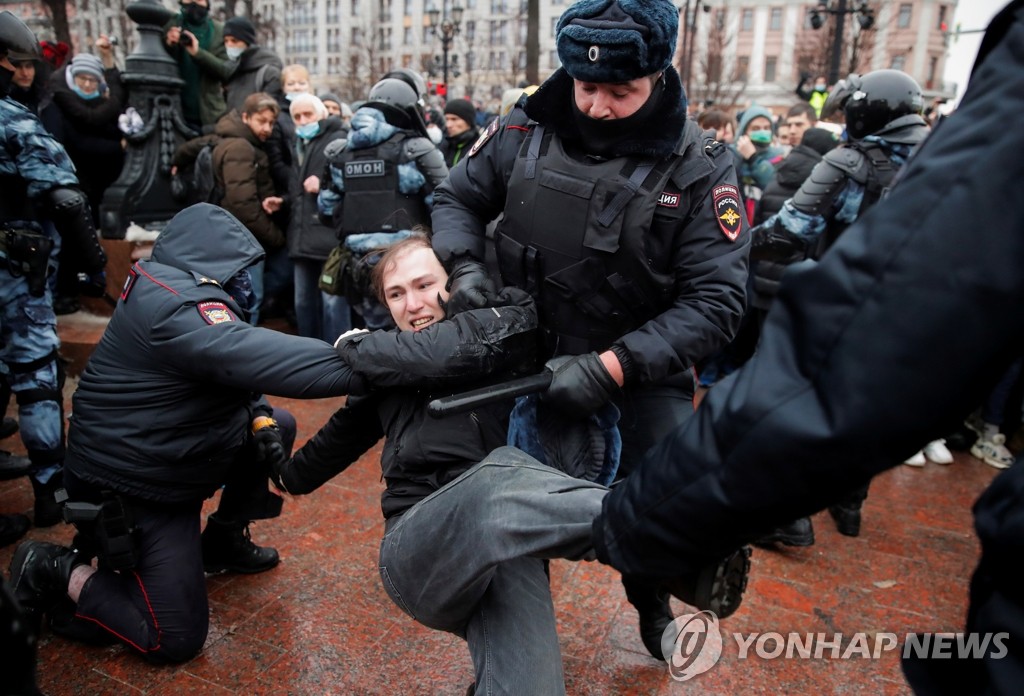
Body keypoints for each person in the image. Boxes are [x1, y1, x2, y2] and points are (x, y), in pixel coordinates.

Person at [592, 2, 1024, 692]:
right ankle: (831, 512)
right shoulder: (922, 154)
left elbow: (842, 327)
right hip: (881, 340)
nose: (598, 105)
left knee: (807, 402)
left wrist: (653, 515)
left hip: (832, 314)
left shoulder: (819, 161)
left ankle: (768, 531)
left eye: (618, 91)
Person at [275, 235, 748, 694]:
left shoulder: (504, 335)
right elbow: (322, 455)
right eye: (395, 294)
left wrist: (360, 347)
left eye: (424, 285)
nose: (412, 304)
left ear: (456, 283)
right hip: (421, 547)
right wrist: (278, 467)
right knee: (492, 480)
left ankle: (660, 542)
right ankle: (671, 532)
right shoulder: (381, 376)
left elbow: (463, 345)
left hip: (507, 551)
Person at [430, 0, 750, 661]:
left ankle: (655, 601)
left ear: (660, 74)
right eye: (586, 87)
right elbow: (457, 197)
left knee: (653, 508)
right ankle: (515, 658)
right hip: (521, 355)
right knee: (505, 510)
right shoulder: (524, 125)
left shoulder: (701, 164)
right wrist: (463, 268)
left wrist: (612, 367)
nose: (598, 106)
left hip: (638, 370)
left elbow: (717, 301)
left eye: (620, 92)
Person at [6, 203, 370, 663]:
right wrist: (369, 358)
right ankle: (57, 569)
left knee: (278, 422)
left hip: (170, 457)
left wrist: (258, 414)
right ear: (210, 262)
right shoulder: (175, 306)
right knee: (172, 637)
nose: (245, 283)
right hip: (137, 484)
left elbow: (230, 366)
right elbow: (245, 351)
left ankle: (221, 541)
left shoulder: (175, 286)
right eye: (237, 270)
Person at [747, 69, 930, 544]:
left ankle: (786, 519)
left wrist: (732, 251)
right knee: (862, 411)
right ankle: (849, 508)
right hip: (906, 315)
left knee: (789, 403)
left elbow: (789, 231)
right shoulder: (942, 157)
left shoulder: (848, 159)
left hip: (840, 306)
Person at [1, 11, 107, 531]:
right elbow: (65, 200)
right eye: (19, 63)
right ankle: (50, 491)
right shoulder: (13, 120)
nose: (26, 72)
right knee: (38, 376)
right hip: (16, 279)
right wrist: (95, 263)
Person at [318, 77, 447, 329]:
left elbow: (326, 210)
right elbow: (447, 208)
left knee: (373, 336)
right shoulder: (416, 149)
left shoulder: (339, 154)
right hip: (410, 268)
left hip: (357, 266)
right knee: (418, 341)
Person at [41, 43, 126, 315]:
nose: (88, 84)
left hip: (100, 184)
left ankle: (78, 288)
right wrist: (115, 146)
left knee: (85, 244)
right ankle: (62, 295)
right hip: (72, 186)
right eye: (83, 79)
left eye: (92, 80)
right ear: (72, 78)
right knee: (65, 245)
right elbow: (75, 144)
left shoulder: (105, 106)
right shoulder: (59, 106)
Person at [211, 91, 286, 325]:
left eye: (271, 123)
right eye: (261, 121)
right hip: (246, 237)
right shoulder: (241, 148)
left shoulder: (237, 140)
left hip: (241, 235)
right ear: (246, 118)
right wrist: (275, 237)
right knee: (250, 299)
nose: (267, 128)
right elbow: (243, 204)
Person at [286, 93, 350, 341]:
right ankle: (310, 355)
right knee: (303, 302)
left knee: (332, 303)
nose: (302, 121)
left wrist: (323, 187)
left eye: (307, 115)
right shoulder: (298, 144)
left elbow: (350, 185)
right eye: (297, 117)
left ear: (321, 115)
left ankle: (339, 355)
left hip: (328, 236)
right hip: (302, 236)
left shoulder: (338, 139)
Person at [163, 0, 229, 133]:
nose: (193, 3)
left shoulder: (218, 31)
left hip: (209, 115)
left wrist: (197, 53)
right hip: (173, 110)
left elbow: (225, 70)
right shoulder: (170, 22)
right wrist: (168, 44)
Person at [220, 16, 283, 113]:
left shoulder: (268, 72)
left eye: (234, 41)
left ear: (247, 42)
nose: (229, 45)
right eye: (226, 41)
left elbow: (268, 112)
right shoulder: (229, 70)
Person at [441, 97, 479, 168]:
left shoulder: (480, 149)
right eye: (447, 119)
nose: (448, 125)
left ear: (468, 121)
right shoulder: (444, 144)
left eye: (454, 119)